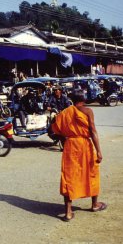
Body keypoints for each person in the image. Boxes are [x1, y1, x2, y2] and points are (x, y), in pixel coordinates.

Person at [51, 89, 106, 222]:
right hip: (85, 145)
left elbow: (54, 129)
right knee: (92, 172)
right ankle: (94, 205)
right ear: (84, 98)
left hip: (70, 146)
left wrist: (66, 139)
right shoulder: (87, 111)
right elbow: (93, 131)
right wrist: (99, 150)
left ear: (72, 99)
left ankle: (68, 212)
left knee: (68, 176)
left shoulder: (65, 112)